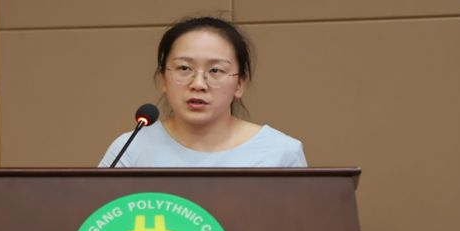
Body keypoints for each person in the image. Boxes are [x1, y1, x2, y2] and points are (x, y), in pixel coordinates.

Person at [99, 16, 307, 168]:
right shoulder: (130, 149)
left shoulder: (280, 153)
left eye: (215, 70)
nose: (198, 84)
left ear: (239, 84)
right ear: (164, 79)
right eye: (184, 68)